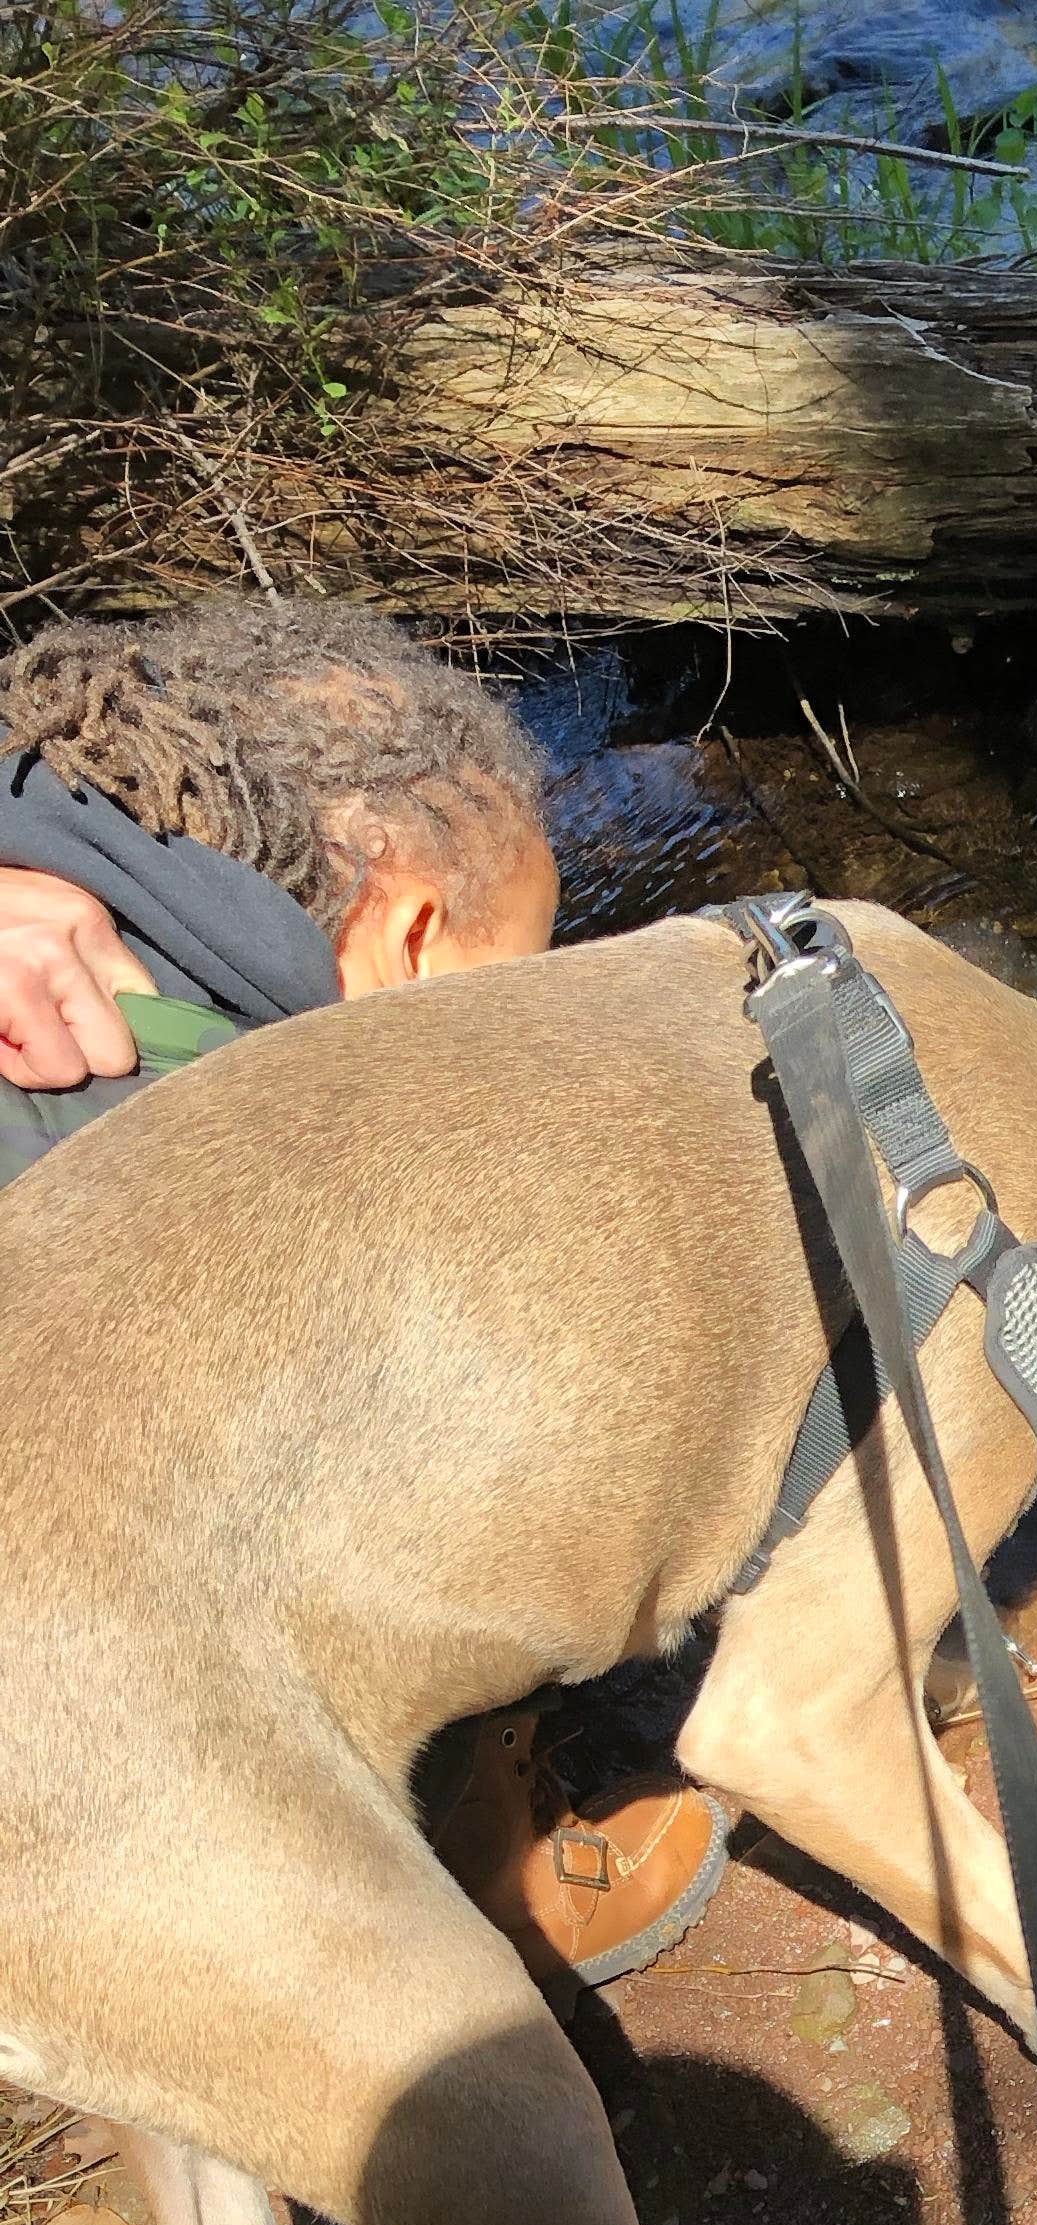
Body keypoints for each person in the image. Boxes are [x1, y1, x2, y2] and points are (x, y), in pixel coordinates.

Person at [0, 599, 728, 1989]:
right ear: (400, 933)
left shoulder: (48, 807)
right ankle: (502, 1897)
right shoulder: (209, 1158)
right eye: (504, 982)